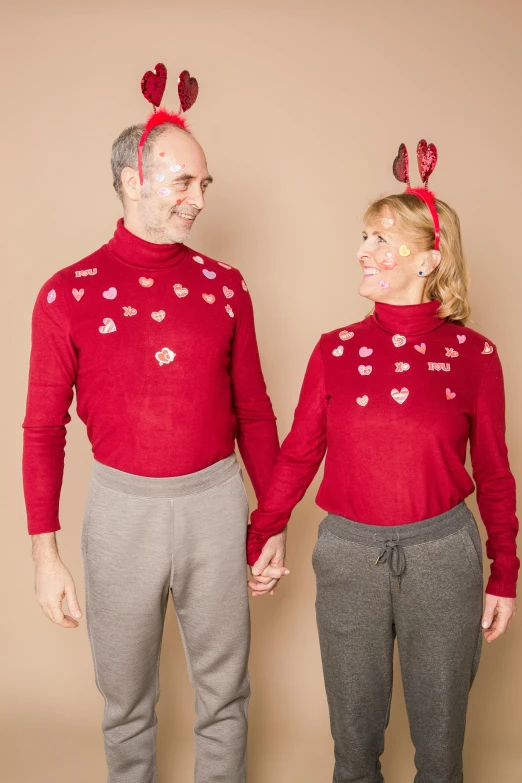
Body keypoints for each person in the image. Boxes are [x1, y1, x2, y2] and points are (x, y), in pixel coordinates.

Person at [23, 64, 279, 783]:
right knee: (126, 701)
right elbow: (44, 429)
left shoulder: (225, 286)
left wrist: (273, 520)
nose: (199, 199)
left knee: (225, 696)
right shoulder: (66, 293)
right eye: (183, 183)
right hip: (120, 513)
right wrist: (45, 555)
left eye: (205, 185)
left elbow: (254, 410)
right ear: (135, 178)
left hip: (216, 504)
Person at [247, 142, 518, 782]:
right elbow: (299, 452)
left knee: (441, 748)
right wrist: (264, 533)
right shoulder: (334, 349)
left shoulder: (476, 356)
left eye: (381, 239)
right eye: (364, 235)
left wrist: (504, 570)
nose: (364, 251)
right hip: (346, 555)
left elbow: (498, 472)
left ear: (429, 259)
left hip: (444, 557)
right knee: (353, 745)